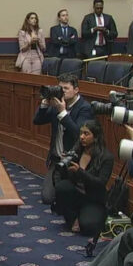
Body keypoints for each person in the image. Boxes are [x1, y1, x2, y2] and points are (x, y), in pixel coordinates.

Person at [33, 73, 93, 205]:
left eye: (66, 88)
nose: (62, 91)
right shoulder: (58, 103)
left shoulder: (84, 108)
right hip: (56, 160)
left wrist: (62, 112)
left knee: (66, 196)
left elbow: (79, 134)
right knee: (47, 198)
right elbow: (37, 121)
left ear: (76, 90)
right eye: (60, 88)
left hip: (74, 161)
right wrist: (44, 104)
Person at [54, 120, 113, 236]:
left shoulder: (106, 157)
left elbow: (100, 183)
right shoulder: (77, 151)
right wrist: (65, 166)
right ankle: (74, 216)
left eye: (86, 134)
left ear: (95, 137)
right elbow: (64, 179)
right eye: (81, 133)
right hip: (76, 194)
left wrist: (80, 172)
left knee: (89, 227)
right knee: (62, 187)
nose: (82, 137)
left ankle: (83, 215)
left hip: (93, 198)